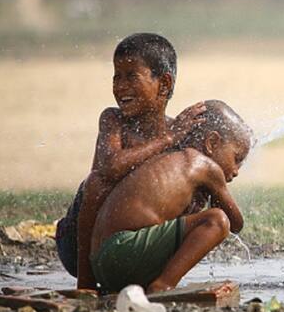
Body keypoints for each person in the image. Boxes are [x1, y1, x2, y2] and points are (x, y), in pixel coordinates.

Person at [54, 33, 206, 288]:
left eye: (131, 76)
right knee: (97, 182)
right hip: (80, 244)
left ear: (164, 84)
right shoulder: (113, 120)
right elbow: (110, 167)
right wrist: (167, 140)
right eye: (116, 77)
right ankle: (86, 285)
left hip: (130, 241)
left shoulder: (178, 137)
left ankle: (160, 280)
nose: (120, 86)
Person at [89, 100, 252, 293]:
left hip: (102, 263)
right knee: (217, 220)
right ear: (212, 143)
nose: (236, 171)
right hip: (122, 252)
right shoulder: (204, 166)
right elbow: (236, 223)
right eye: (237, 158)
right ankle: (163, 286)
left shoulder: (171, 160)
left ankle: (148, 284)